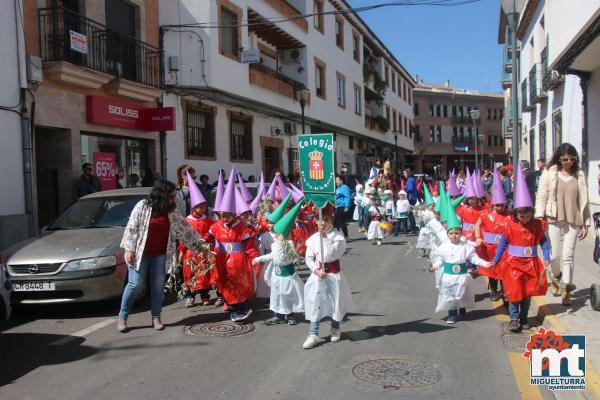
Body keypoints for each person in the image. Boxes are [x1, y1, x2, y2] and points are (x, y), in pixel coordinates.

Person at [117, 180, 206, 332]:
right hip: (140, 253)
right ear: (161, 195)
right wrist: (129, 249)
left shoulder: (171, 211)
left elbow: (184, 229)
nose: (173, 199)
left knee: (158, 286)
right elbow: (132, 227)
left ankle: (156, 317)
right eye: (171, 196)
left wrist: (201, 246)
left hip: (159, 254)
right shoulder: (143, 206)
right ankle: (122, 317)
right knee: (135, 284)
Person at [492, 165, 550, 332]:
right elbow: (503, 243)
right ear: (515, 214)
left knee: (527, 293)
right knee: (514, 292)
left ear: (531, 213)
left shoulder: (537, 225)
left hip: (531, 264)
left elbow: (543, 241)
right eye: (521, 216)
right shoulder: (509, 225)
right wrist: (496, 259)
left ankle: (524, 317)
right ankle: (514, 319)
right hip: (513, 264)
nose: (524, 219)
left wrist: (546, 255)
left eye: (527, 216)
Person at [535, 143, 591, 306]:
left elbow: (584, 201)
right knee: (554, 256)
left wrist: (586, 223)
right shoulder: (550, 172)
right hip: (552, 218)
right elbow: (542, 195)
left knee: (568, 256)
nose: (568, 162)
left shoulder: (579, 174)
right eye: (565, 159)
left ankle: (566, 288)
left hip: (573, 219)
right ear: (559, 158)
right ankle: (555, 277)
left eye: (572, 159)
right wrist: (539, 216)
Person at [209, 167, 259, 322]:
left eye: (228, 216)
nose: (224, 219)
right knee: (225, 283)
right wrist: (209, 250)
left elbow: (249, 245)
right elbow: (209, 240)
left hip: (239, 261)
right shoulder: (216, 226)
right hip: (222, 260)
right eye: (222, 216)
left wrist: (254, 258)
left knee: (240, 283)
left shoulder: (242, 227)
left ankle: (241, 307)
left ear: (234, 215)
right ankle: (231, 308)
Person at [302, 205, 353, 349]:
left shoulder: (338, 237)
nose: (323, 223)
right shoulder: (312, 239)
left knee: (334, 301)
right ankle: (313, 333)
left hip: (334, 276)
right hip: (318, 276)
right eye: (320, 220)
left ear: (331, 220)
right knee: (315, 302)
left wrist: (324, 238)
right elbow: (309, 258)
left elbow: (333, 254)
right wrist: (315, 270)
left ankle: (335, 327)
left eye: (326, 220)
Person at [429, 206, 491, 324]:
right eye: (451, 233)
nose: (454, 235)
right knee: (450, 296)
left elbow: (474, 258)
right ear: (448, 235)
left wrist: (486, 264)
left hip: (462, 276)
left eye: (456, 233)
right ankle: (452, 315)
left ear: (461, 233)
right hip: (448, 276)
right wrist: (434, 267)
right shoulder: (443, 247)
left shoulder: (466, 246)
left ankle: (462, 308)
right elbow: (440, 260)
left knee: (462, 294)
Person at [252, 201, 305, 326]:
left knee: (288, 294)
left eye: (280, 234)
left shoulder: (289, 244)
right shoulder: (275, 244)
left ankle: (291, 314)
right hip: (277, 273)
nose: (278, 236)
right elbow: (272, 255)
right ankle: (278, 314)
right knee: (277, 293)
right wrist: (258, 259)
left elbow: (292, 258)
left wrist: (292, 254)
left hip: (287, 274)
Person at [179, 172, 214, 307]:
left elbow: (212, 232)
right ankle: (191, 296)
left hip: (204, 251)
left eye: (204, 206)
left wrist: (206, 240)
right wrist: (181, 250)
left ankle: (205, 295)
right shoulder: (187, 220)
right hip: (190, 252)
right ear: (194, 207)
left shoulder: (208, 220)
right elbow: (183, 237)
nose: (203, 208)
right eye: (200, 206)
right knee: (190, 273)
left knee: (204, 273)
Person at [474, 166, 509, 301]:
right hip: (490, 247)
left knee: (504, 269)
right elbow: (477, 225)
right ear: (492, 204)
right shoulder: (484, 214)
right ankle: (494, 290)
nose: (499, 207)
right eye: (497, 205)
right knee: (492, 269)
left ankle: (505, 290)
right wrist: (478, 237)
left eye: (502, 205)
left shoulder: (509, 215)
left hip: (505, 248)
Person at [403, 168, 419, 233]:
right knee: (410, 213)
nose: (404, 174)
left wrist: (404, 189)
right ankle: (413, 227)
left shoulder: (410, 179)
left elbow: (411, 188)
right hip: (413, 198)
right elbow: (416, 189)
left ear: (408, 173)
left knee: (410, 213)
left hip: (410, 198)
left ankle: (413, 228)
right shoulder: (411, 179)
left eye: (404, 173)